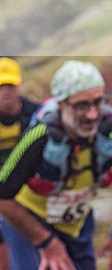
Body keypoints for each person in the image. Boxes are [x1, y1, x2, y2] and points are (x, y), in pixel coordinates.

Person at [0, 60, 112, 270]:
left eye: (98, 102)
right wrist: (46, 242)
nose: (93, 114)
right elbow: (2, 196)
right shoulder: (40, 136)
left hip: (76, 221)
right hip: (28, 222)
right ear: (61, 104)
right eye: (81, 105)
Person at [0, 58, 41, 270]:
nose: (6, 91)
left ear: (19, 85)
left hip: (33, 192)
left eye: (10, 85)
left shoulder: (37, 114)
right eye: (0, 86)